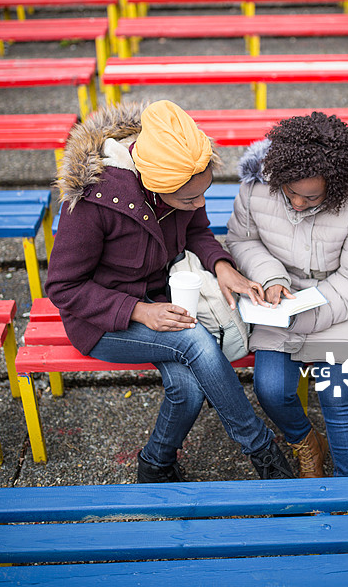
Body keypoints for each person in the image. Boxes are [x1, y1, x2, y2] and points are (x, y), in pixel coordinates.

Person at [45, 99, 294, 483]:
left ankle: (155, 463)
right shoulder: (94, 201)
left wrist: (222, 265)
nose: (200, 203)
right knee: (193, 339)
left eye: (204, 193)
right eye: (189, 199)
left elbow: (196, 231)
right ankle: (263, 451)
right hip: (102, 322)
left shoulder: (183, 176)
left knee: (189, 388)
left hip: (163, 300)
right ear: (153, 185)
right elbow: (63, 287)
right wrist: (139, 311)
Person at [226, 112, 348, 479]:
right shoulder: (256, 189)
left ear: (334, 186)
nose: (299, 204)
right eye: (291, 193)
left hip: (344, 309)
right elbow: (242, 240)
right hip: (278, 301)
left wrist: (301, 314)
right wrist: (270, 277)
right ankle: (306, 442)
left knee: (338, 398)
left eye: (312, 197)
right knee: (271, 390)